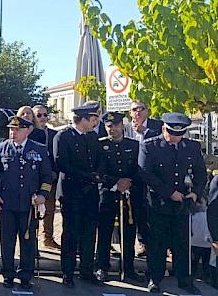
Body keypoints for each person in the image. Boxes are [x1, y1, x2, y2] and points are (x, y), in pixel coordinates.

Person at [139, 112, 207, 294]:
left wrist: (195, 192)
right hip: (159, 203)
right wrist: (169, 193)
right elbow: (146, 173)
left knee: (182, 244)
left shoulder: (192, 147)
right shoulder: (150, 146)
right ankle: (155, 278)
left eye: (180, 134)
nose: (175, 137)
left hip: (183, 204)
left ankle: (185, 280)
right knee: (157, 244)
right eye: (172, 133)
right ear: (163, 128)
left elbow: (201, 172)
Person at [0, 116, 52, 290]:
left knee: (28, 242)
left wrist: (43, 194)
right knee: (7, 241)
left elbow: (47, 175)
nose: (13, 132)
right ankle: (8, 274)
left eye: (17, 129)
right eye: (11, 129)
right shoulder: (0, 148)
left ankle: (25, 275)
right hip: (6, 203)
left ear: (27, 130)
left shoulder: (38, 149)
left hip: (28, 205)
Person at [55, 102, 105, 287]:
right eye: (93, 119)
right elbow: (62, 164)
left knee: (89, 233)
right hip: (72, 192)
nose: (96, 122)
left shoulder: (92, 137)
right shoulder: (64, 136)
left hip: (90, 192)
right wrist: (87, 176)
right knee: (71, 233)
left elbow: (100, 158)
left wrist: (98, 174)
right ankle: (67, 272)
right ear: (83, 119)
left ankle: (86, 270)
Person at [94, 112, 143, 283]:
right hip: (108, 193)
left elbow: (139, 170)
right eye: (108, 126)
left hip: (129, 194)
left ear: (122, 125)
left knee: (128, 233)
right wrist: (116, 182)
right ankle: (102, 267)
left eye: (115, 125)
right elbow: (98, 171)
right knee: (105, 231)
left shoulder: (134, 145)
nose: (112, 129)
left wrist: (128, 183)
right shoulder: (100, 145)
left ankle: (128, 268)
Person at [125, 99, 160, 258]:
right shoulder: (125, 127)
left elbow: (162, 141)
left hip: (153, 175)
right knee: (137, 211)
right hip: (133, 175)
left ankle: (158, 244)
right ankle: (142, 243)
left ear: (147, 111)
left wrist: (145, 131)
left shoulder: (157, 126)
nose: (137, 112)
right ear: (130, 113)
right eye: (134, 109)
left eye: (141, 109)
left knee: (152, 211)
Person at [27, 105, 61, 250]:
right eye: (38, 115)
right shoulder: (30, 133)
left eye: (45, 115)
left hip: (50, 177)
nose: (42, 118)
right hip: (33, 177)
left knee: (50, 209)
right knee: (32, 210)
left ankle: (48, 237)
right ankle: (31, 240)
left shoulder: (55, 134)